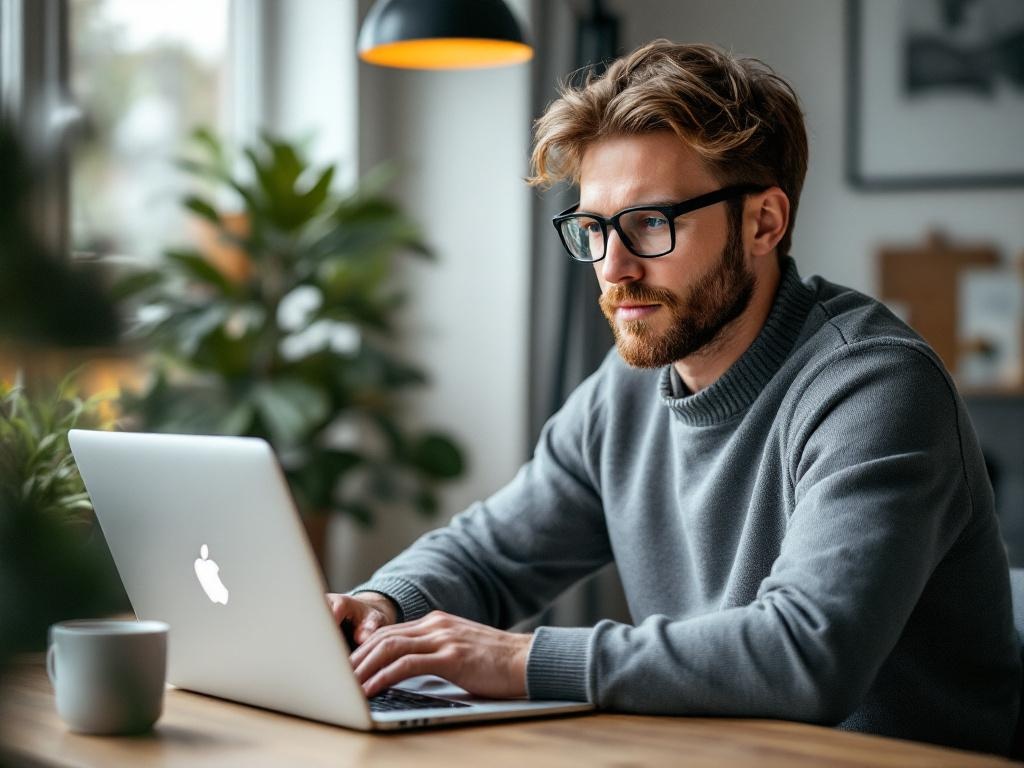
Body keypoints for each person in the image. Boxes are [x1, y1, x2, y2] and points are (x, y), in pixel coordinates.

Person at [326, 40, 1021, 755]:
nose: (612, 267)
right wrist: (382, 604)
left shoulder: (875, 387)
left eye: (651, 223)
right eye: (592, 228)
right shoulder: (625, 392)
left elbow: (808, 654)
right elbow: (489, 555)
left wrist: (516, 660)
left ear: (763, 223)